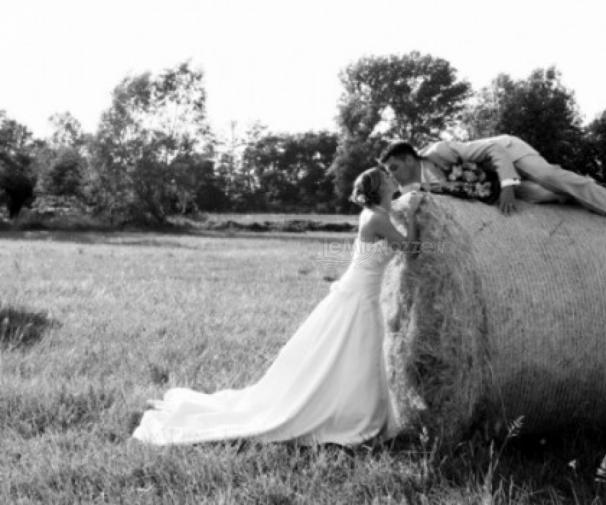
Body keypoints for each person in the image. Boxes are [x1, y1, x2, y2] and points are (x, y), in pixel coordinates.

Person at [132, 167, 420, 446]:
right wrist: (417, 214)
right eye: (386, 176)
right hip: (360, 295)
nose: (390, 177)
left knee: (353, 354)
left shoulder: (377, 214)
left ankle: (357, 411)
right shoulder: (376, 218)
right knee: (356, 353)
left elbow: (395, 230)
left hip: (361, 292)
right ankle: (353, 415)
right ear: (379, 187)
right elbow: (412, 248)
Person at [380, 136, 606, 228]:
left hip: (507, 152)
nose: (392, 174)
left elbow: (494, 150)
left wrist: (508, 186)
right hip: (491, 182)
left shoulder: (439, 152)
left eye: (394, 167)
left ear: (410, 159)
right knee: (543, 195)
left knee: (548, 176)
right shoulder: (409, 190)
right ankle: (587, 190)